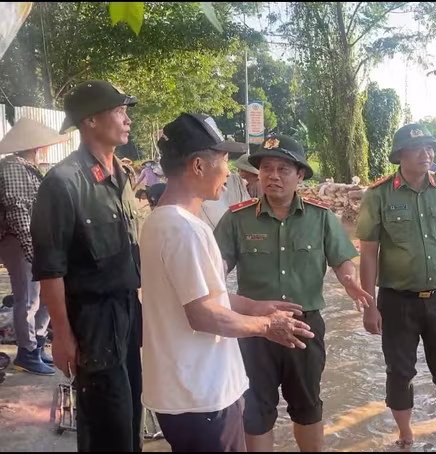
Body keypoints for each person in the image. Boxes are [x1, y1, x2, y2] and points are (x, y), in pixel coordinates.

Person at [139, 113, 315, 452]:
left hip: (181, 392)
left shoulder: (159, 222)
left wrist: (253, 306)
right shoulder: (186, 230)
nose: (229, 172)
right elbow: (203, 315)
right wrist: (267, 325)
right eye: (223, 160)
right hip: (203, 396)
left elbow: (201, 296)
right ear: (198, 166)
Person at [215, 133, 371, 452]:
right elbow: (214, 272)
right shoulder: (237, 219)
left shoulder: (321, 217)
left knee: (308, 405)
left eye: (283, 169)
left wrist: (350, 282)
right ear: (258, 173)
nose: (273, 176)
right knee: (256, 409)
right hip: (255, 331)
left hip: (306, 325)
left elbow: (341, 260)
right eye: (267, 168)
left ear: (299, 175)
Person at [30, 80, 143, 451]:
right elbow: (50, 268)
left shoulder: (120, 176)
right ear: (91, 120)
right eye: (119, 111)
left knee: (131, 417)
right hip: (93, 320)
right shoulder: (62, 183)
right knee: (105, 425)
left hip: (128, 311)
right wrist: (61, 334)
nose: (127, 119)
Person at [357, 123, 436, 450]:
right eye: (419, 148)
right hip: (396, 301)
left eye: (431, 147)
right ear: (400, 155)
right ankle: (406, 434)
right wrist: (369, 304)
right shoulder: (379, 194)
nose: (427, 154)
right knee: (399, 371)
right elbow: (368, 253)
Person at [0, 118, 69, 375]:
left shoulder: (26, 167)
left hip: (32, 241)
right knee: (28, 299)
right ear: (37, 146)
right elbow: (18, 211)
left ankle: (37, 345)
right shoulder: (14, 169)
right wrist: (31, 249)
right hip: (19, 241)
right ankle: (27, 352)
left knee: (45, 297)